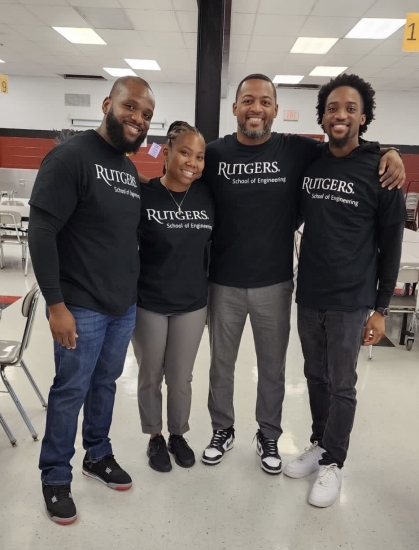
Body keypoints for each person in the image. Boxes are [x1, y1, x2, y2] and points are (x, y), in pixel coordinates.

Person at [200, 73, 405, 475]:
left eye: (264, 101)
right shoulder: (216, 153)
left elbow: (353, 150)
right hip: (234, 283)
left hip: (281, 284)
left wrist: (391, 151)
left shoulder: (297, 150)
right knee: (226, 365)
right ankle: (224, 430)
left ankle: (273, 435)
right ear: (235, 107)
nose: (255, 108)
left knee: (279, 370)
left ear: (277, 109)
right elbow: (180, 168)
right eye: (247, 100)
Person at [28, 76, 155, 525]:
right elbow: (40, 232)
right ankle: (55, 476)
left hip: (122, 306)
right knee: (70, 391)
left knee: (104, 385)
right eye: (131, 107)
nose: (137, 119)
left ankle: (97, 455)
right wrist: (56, 304)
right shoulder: (70, 157)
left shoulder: (123, 166)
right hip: (79, 305)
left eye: (145, 115)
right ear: (108, 103)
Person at [283, 74, 406, 508]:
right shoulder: (312, 162)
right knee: (315, 377)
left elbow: (391, 246)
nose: (341, 115)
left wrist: (380, 308)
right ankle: (318, 443)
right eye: (333, 107)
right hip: (310, 293)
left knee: (342, 385)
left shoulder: (381, 172)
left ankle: (334, 462)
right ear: (323, 116)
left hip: (352, 301)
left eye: (350, 108)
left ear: (364, 117)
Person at [131, 121, 214, 473]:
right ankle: (155, 437)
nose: (192, 162)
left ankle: (178, 434)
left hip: (192, 304)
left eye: (199, 156)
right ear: (166, 153)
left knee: (181, 377)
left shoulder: (208, 196)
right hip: (149, 302)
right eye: (185, 152)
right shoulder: (144, 194)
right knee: (151, 374)